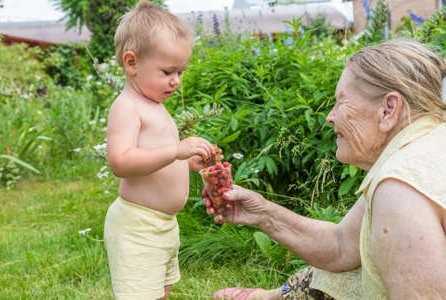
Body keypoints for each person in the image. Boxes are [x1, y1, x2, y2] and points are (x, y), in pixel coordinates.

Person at [205, 40, 446, 300]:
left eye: (341, 102)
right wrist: (262, 213)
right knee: (334, 275)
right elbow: (342, 245)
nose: (330, 117)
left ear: (388, 109)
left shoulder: (400, 189)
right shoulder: (424, 147)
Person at [103, 2, 215, 299]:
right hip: (137, 227)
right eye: (167, 71)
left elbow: (157, 158)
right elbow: (121, 161)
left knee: (160, 292)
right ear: (132, 63)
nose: (176, 80)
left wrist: (186, 162)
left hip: (165, 225)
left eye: (181, 71)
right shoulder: (127, 107)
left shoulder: (155, 107)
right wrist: (176, 151)